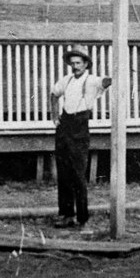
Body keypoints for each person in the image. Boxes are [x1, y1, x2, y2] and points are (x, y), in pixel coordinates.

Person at [50, 48, 111, 232]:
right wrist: (54, 116)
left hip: (80, 127)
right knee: (64, 172)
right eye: (73, 63)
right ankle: (67, 214)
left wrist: (115, 75)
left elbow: (105, 82)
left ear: (86, 64)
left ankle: (82, 218)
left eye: (79, 63)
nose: (75, 66)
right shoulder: (66, 80)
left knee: (78, 174)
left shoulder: (91, 81)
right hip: (64, 126)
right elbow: (54, 94)